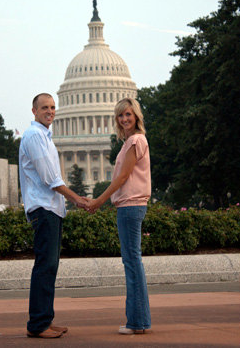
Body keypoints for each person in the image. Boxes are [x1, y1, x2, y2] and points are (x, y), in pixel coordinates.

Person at [19, 93, 90, 338]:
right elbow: (50, 179)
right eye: (44, 107)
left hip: (51, 208)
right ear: (34, 111)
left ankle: (45, 320)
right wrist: (77, 199)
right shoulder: (35, 136)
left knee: (49, 267)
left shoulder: (45, 137)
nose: (50, 111)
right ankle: (38, 324)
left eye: (52, 107)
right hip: (44, 207)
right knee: (45, 267)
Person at [87, 97, 152, 335]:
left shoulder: (135, 140)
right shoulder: (133, 141)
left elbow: (122, 177)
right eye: (120, 116)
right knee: (134, 262)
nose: (124, 119)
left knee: (132, 262)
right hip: (132, 206)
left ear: (136, 116)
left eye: (128, 114)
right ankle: (140, 320)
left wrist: (98, 201)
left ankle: (136, 322)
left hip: (130, 206)